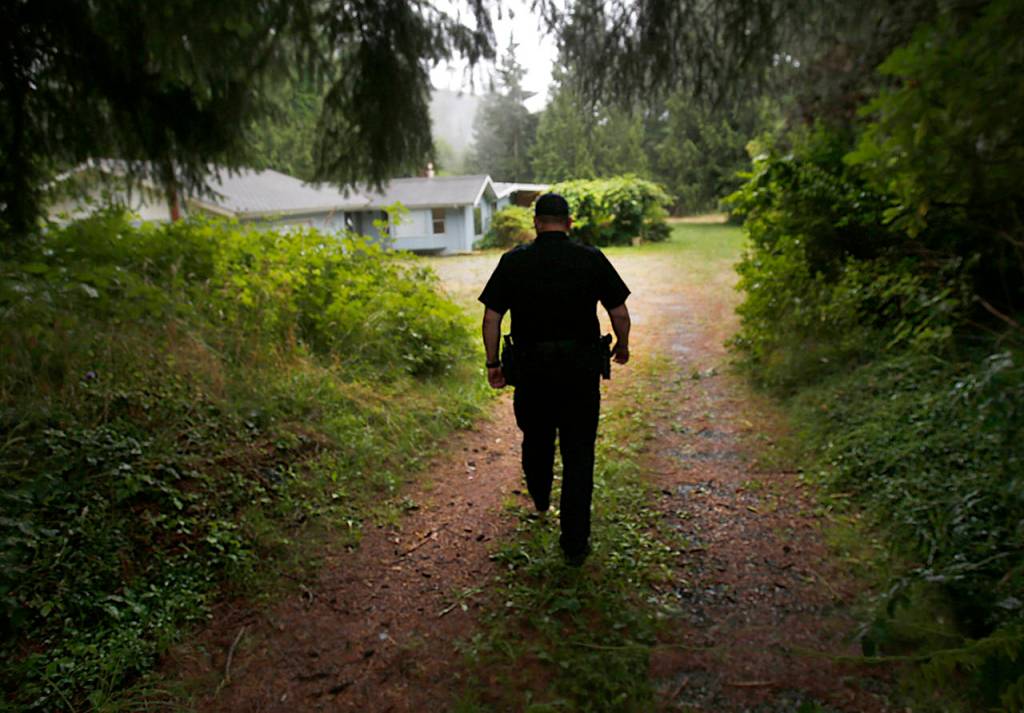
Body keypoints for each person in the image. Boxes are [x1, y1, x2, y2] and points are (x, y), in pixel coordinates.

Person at [478, 193, 631, 566]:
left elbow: (491, 318)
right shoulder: (590, 258)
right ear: (569, 222)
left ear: (536, 222)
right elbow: (620, 312)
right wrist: (622, 346)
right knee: (580, 453)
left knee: (537, 436)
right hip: (580, 372)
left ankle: (542, 497)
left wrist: (493, 363)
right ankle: (575, 546)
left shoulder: (513, 262)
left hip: (531, 371)